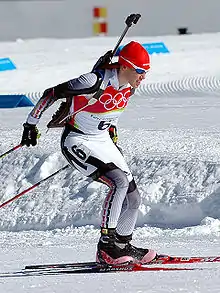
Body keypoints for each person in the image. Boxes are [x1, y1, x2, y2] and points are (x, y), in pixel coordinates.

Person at [21, 41, 157, 264]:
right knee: (119, 182)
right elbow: (51, 93)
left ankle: (123, 246)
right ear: (124, 67)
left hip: (102, 142)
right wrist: (30, 124)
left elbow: (109, 112)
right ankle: (106, 248)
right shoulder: (94, 81)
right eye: (140, 72)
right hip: (77, 139)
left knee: (133, 198)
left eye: (146, 73)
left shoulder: (130, 85)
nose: (142, 78)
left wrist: (112, 132)